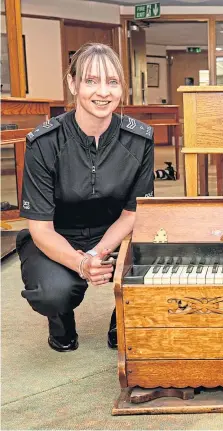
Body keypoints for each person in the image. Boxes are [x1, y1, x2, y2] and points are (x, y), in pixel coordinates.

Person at [16, 43, 155, 352]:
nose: (102, 92)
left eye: (112, 82)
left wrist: (98, 252)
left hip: (115, 232)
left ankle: (122, 317)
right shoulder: (44, 143)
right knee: (52, 292)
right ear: (73, 84)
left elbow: (134, 213)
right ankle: (61, 320)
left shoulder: (139, 139)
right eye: (91, 81)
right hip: (57, 234)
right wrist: (81, 264)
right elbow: (40, 228)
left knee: (161, 253)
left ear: (122, 87)